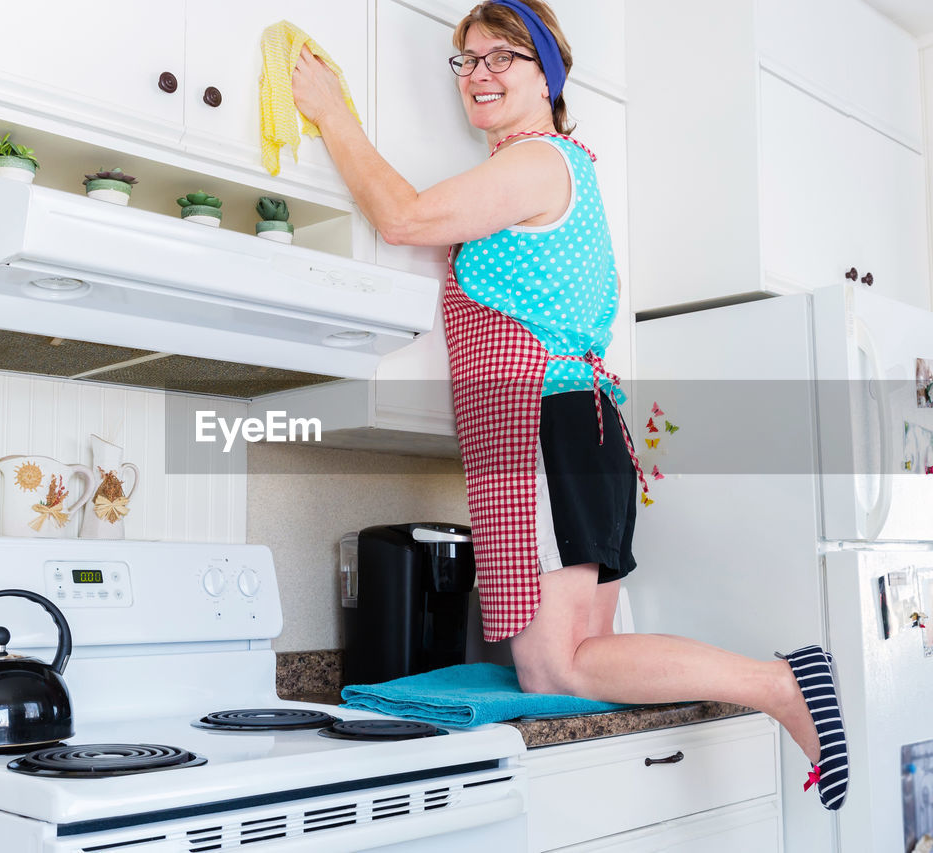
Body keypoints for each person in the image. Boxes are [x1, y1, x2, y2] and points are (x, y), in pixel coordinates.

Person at [292, 0, 847, 810]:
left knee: (556, 667)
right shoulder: (569, 169)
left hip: (549, 426)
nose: (480, 75)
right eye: (468, 60)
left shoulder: (534, 164)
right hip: (584, 426)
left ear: (546, 73)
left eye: (503, 58)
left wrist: (331, 112)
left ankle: (778, 681)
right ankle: (780, 681)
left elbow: (402, 215)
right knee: (584, 655)